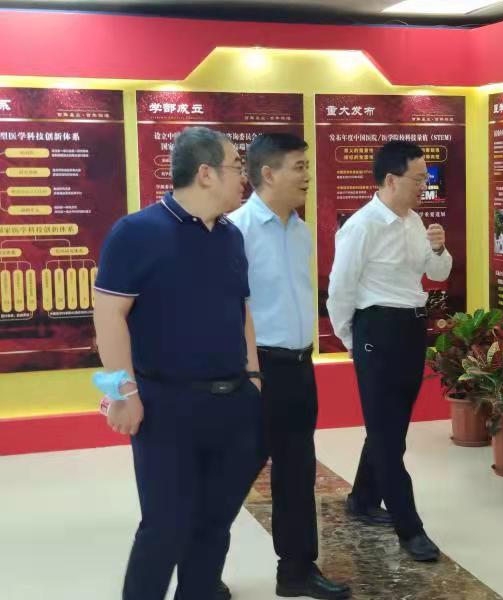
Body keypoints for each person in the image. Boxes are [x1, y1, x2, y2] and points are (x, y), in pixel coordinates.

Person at [93, 127, 263, 600]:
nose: (244, 178)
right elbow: (107, 317)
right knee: (164, 526)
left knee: (215, 523)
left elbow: (241, 310)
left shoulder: (230, 236)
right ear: (205, 173)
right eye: (236, 166)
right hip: (165, 404)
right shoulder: (136, 232)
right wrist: (121, 393)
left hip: (232, 402)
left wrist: (254, 377)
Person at [226, 134, 351, 599]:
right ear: (268, 173)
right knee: (233, 474)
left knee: (298, 470)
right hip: (257, 370)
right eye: (299, 167)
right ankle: (200, 569)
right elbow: (230, 308)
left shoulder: (301, 231)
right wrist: (248, 372)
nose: (307, 176)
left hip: (299, 366)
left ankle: (296, 570)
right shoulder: (235, 231)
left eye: (307, 166)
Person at [327, 141, 452, 562]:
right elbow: (340, 289)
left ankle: (363, 499)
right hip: (376, 331)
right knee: (386, 434)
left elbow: (436, 274)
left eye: (425, 178)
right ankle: (409, 528)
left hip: (411, 329)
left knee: (391, 428)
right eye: (418, 178)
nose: (424, 186)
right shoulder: (362, 226)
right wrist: (352, 340)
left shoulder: (414, 221)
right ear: (390, 180)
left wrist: (439, 248)